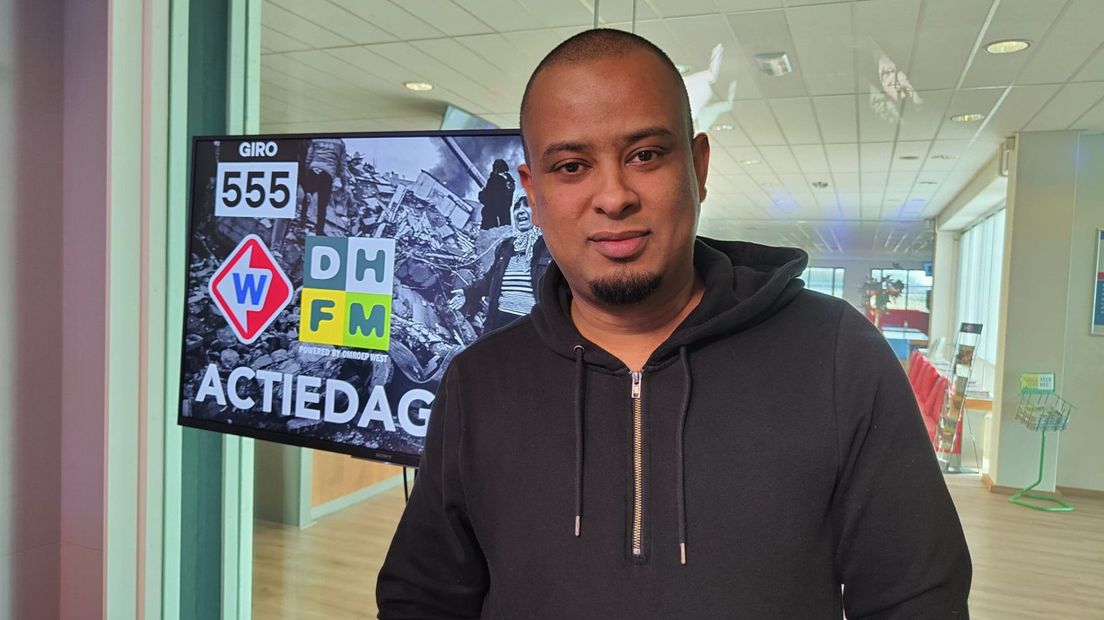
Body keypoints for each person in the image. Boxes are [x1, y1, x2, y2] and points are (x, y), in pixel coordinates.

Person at [377, 29, 971, 619]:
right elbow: (424, 599)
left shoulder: (838, 355)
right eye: (572, 165)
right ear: (532, 194)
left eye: (644, 155)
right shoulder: (478, 382)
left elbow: (917, 601)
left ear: (698, 166)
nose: (613, 197)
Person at [450, 195, 553, 334]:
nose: (520, 211)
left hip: (533, 330)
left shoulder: (553, 249)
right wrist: (467, 292)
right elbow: (490, 280)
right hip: (499, 325)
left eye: (527, 205)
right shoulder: (506, 247)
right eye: (516, 207)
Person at [299, 137, 347, 236]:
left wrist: (308, 173)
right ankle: (319, 232)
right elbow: (342, 166)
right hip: (328, 173)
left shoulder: (316, 139)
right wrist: (344, 183)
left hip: (314, 169)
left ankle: (302, 222)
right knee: (322, 206)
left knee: (307, 197)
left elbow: (308, 159)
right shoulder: (340, 143)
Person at [477, 158, 515, 230]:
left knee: (489, 230)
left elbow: (488, 196)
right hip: (502, 210)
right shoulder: (509, 180)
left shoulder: (495, 179)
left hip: (493, 210)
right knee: (505, 228)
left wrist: (481, 194)